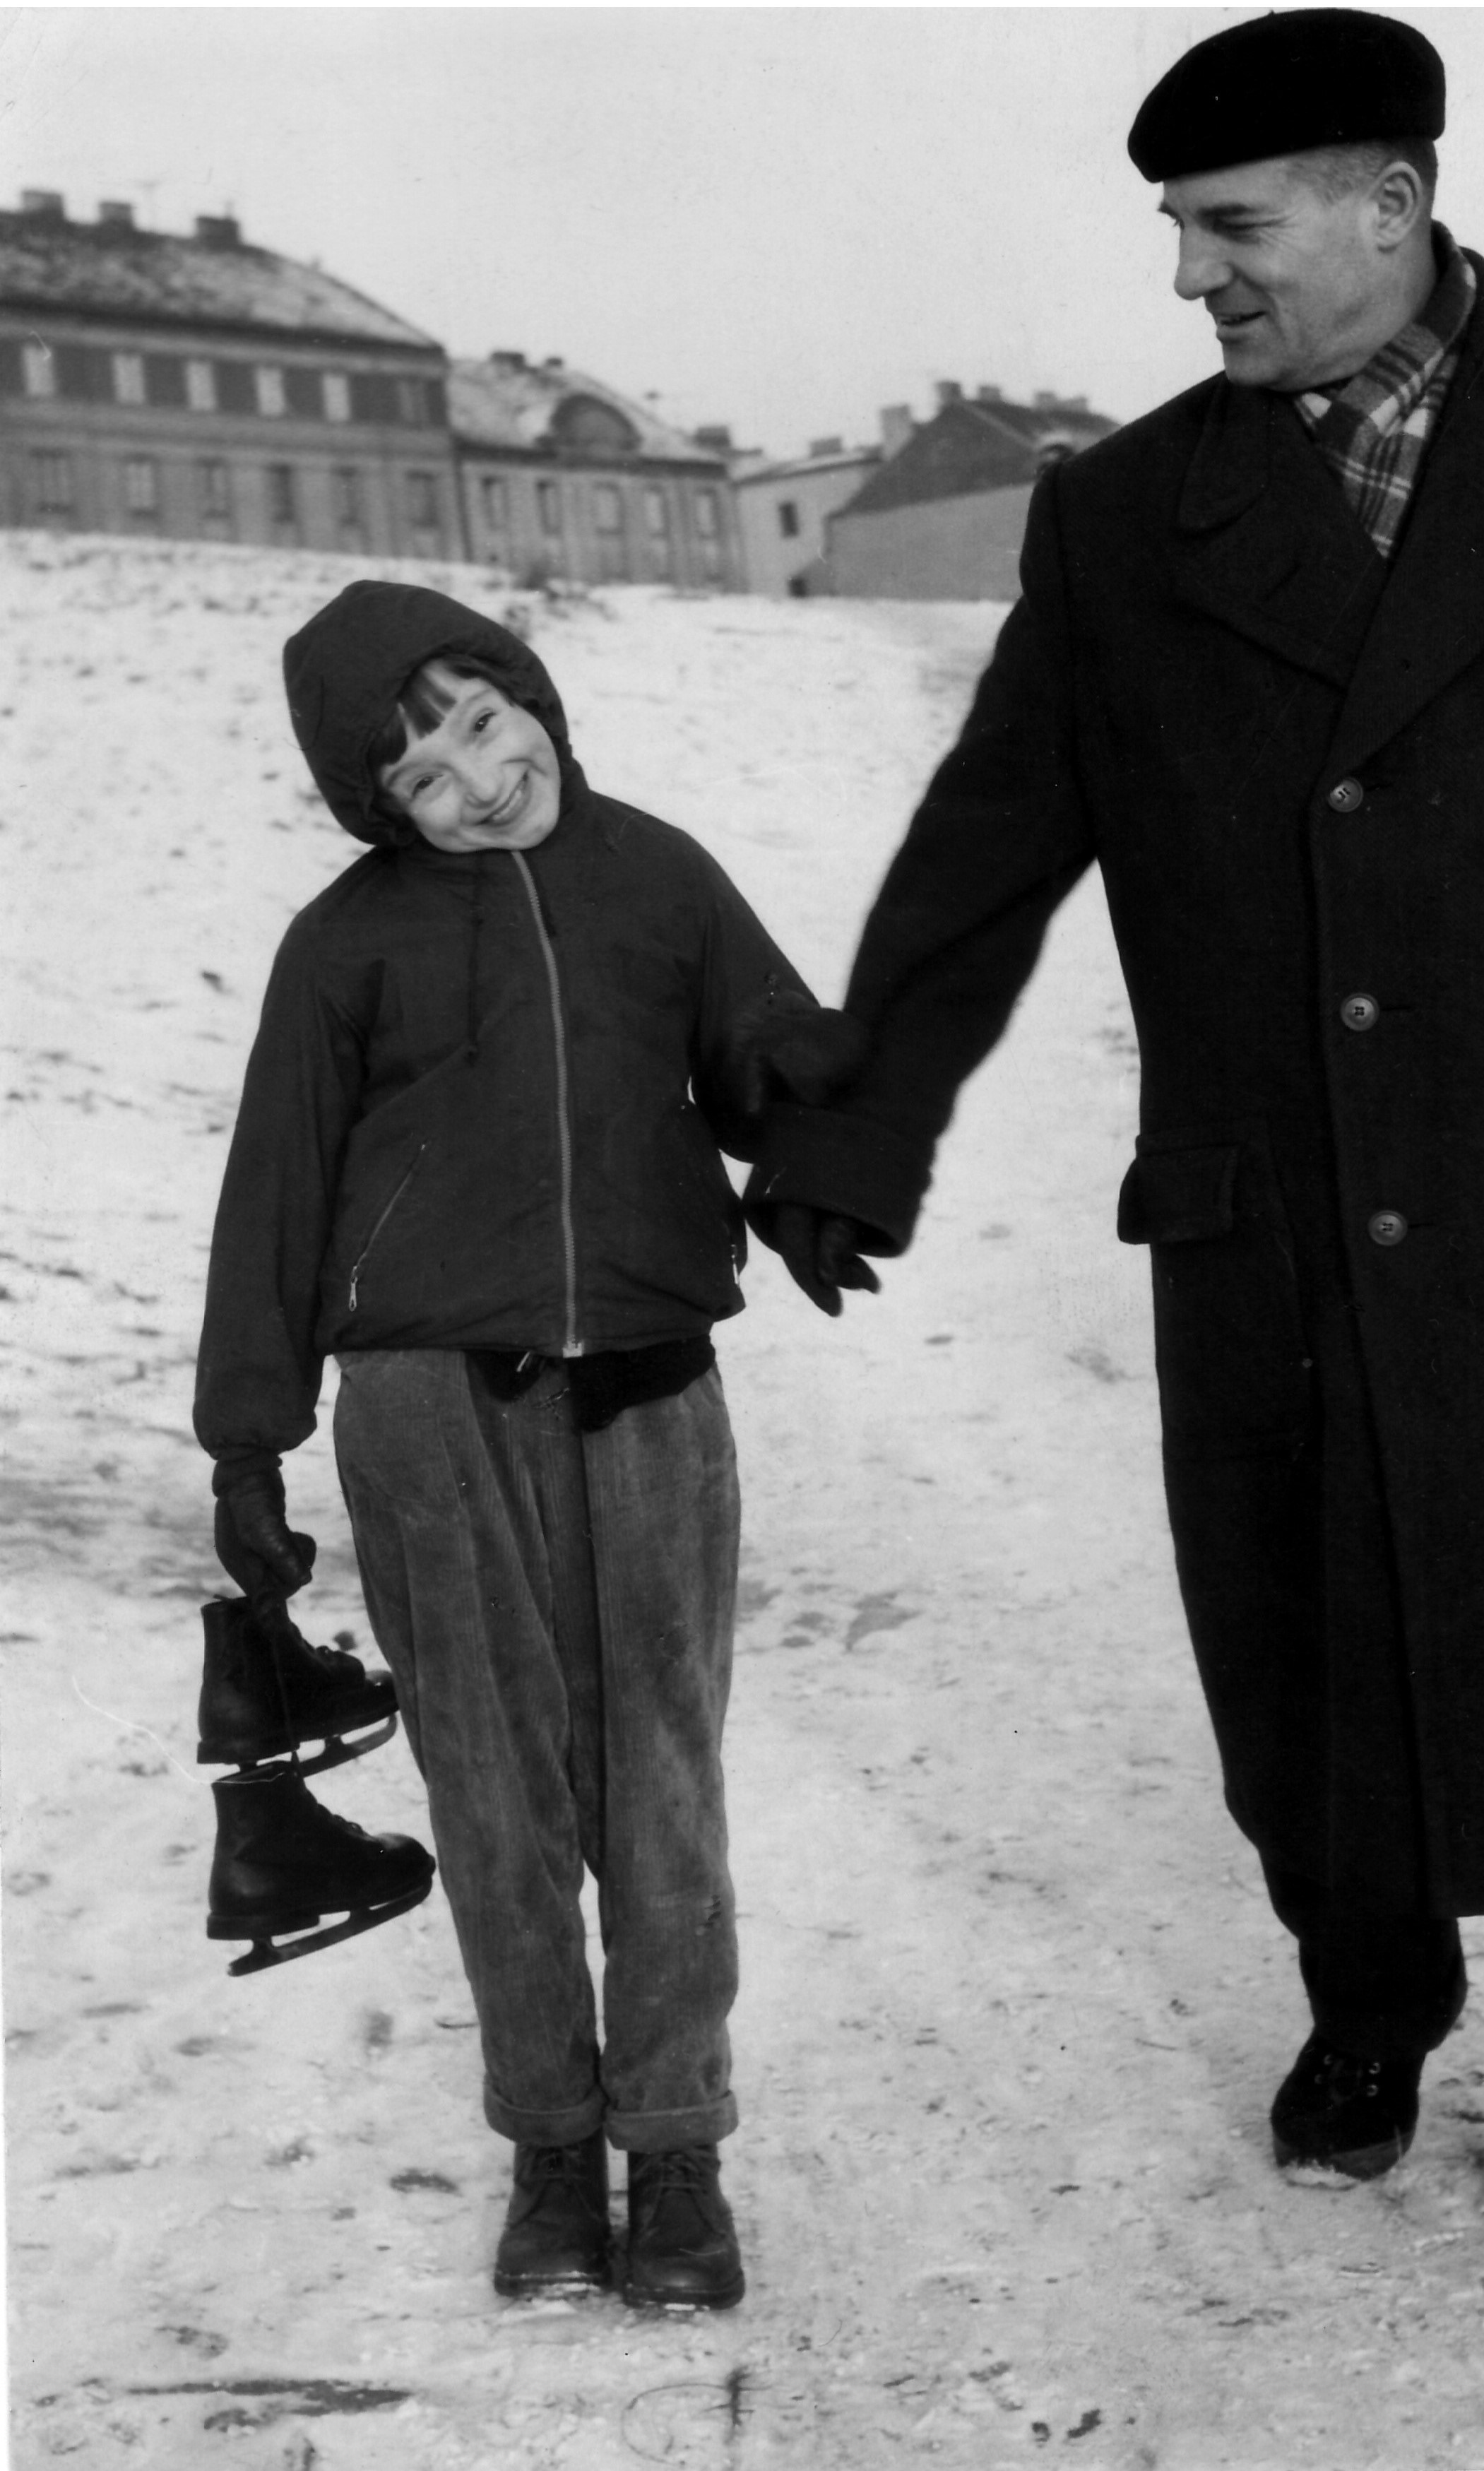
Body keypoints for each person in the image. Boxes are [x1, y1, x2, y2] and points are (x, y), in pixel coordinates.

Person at [743, 8, 1484, 2300]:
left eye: (1228, 225)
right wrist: (853, 1123)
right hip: (1298, 1203)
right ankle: (1371, 2001)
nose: (1185, 276)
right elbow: (992, 833)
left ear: (1387, 203)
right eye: (1172, 230)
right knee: (1325, 1665)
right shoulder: (1124, 514)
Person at [195, 580, 819, 2311]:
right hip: (426, 1407)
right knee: (491, 1784)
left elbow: (766, 1059)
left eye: (481, 722)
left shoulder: (662, 875)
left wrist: (819, 1155)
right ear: (378, 808)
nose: (477, 780)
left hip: (652, 1392)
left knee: (662, 1777)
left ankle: (674, 2149)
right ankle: (551, 2147)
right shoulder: (343, 945)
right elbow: (276, 1189)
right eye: (421, 775)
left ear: (529, 692)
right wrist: (248, 1440)